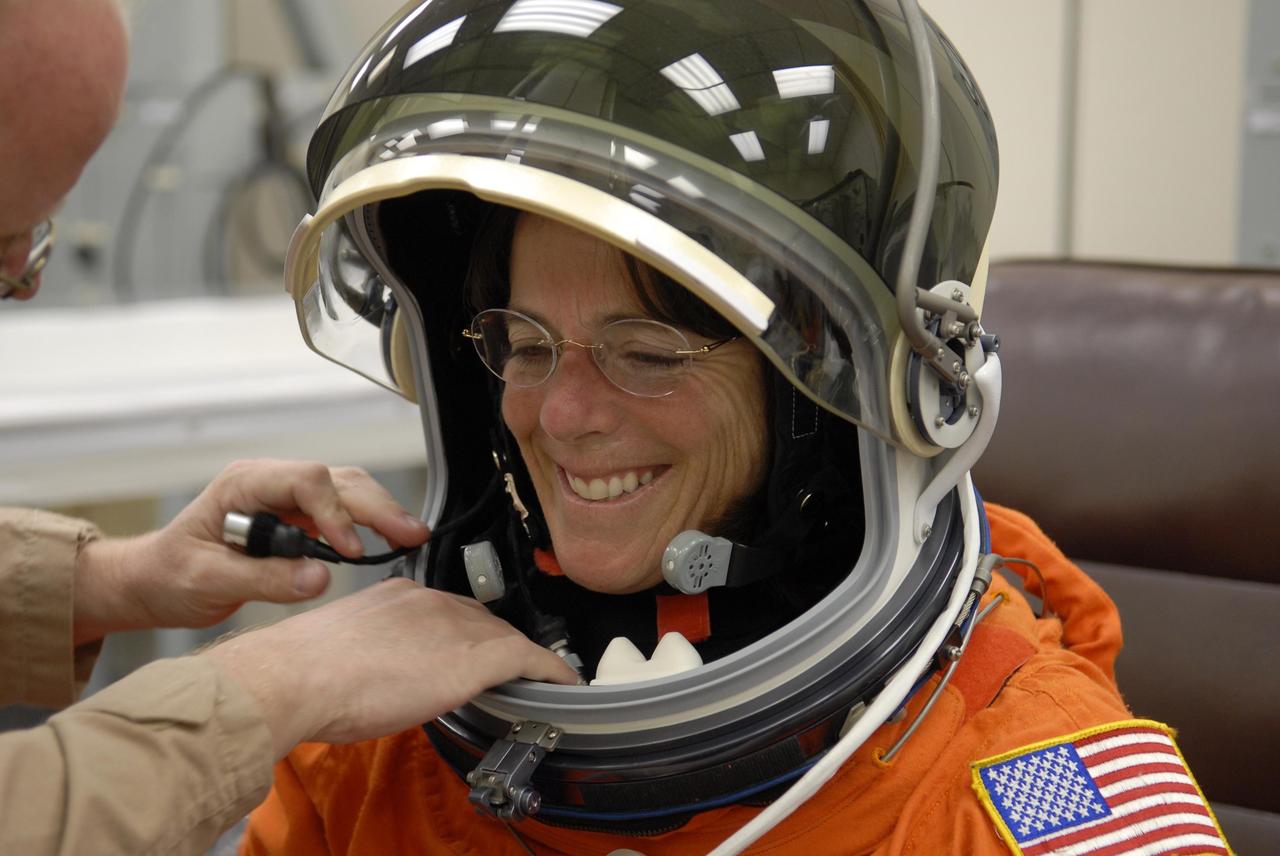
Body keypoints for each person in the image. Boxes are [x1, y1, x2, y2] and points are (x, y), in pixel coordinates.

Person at [242, 1, 1234, 854]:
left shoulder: (1044, 807)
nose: (564, 412)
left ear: (815, 402)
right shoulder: (379, 745)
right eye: (526, 341)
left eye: (645, 350)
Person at [0, 1, 578, 853]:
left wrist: (109, 581)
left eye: (652, 354)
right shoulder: (346, 781)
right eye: (521, 346)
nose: (26, 285)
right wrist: (269, 686)